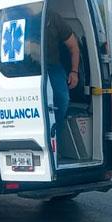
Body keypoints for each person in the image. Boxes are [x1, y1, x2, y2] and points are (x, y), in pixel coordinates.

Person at [44, 10, 81, 143]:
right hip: (27, 67)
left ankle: (54, 137)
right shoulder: (17, 14)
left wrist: (74, 72)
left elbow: (74, 47)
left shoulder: (53, 18)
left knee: (62, 99)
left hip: (52, 66)